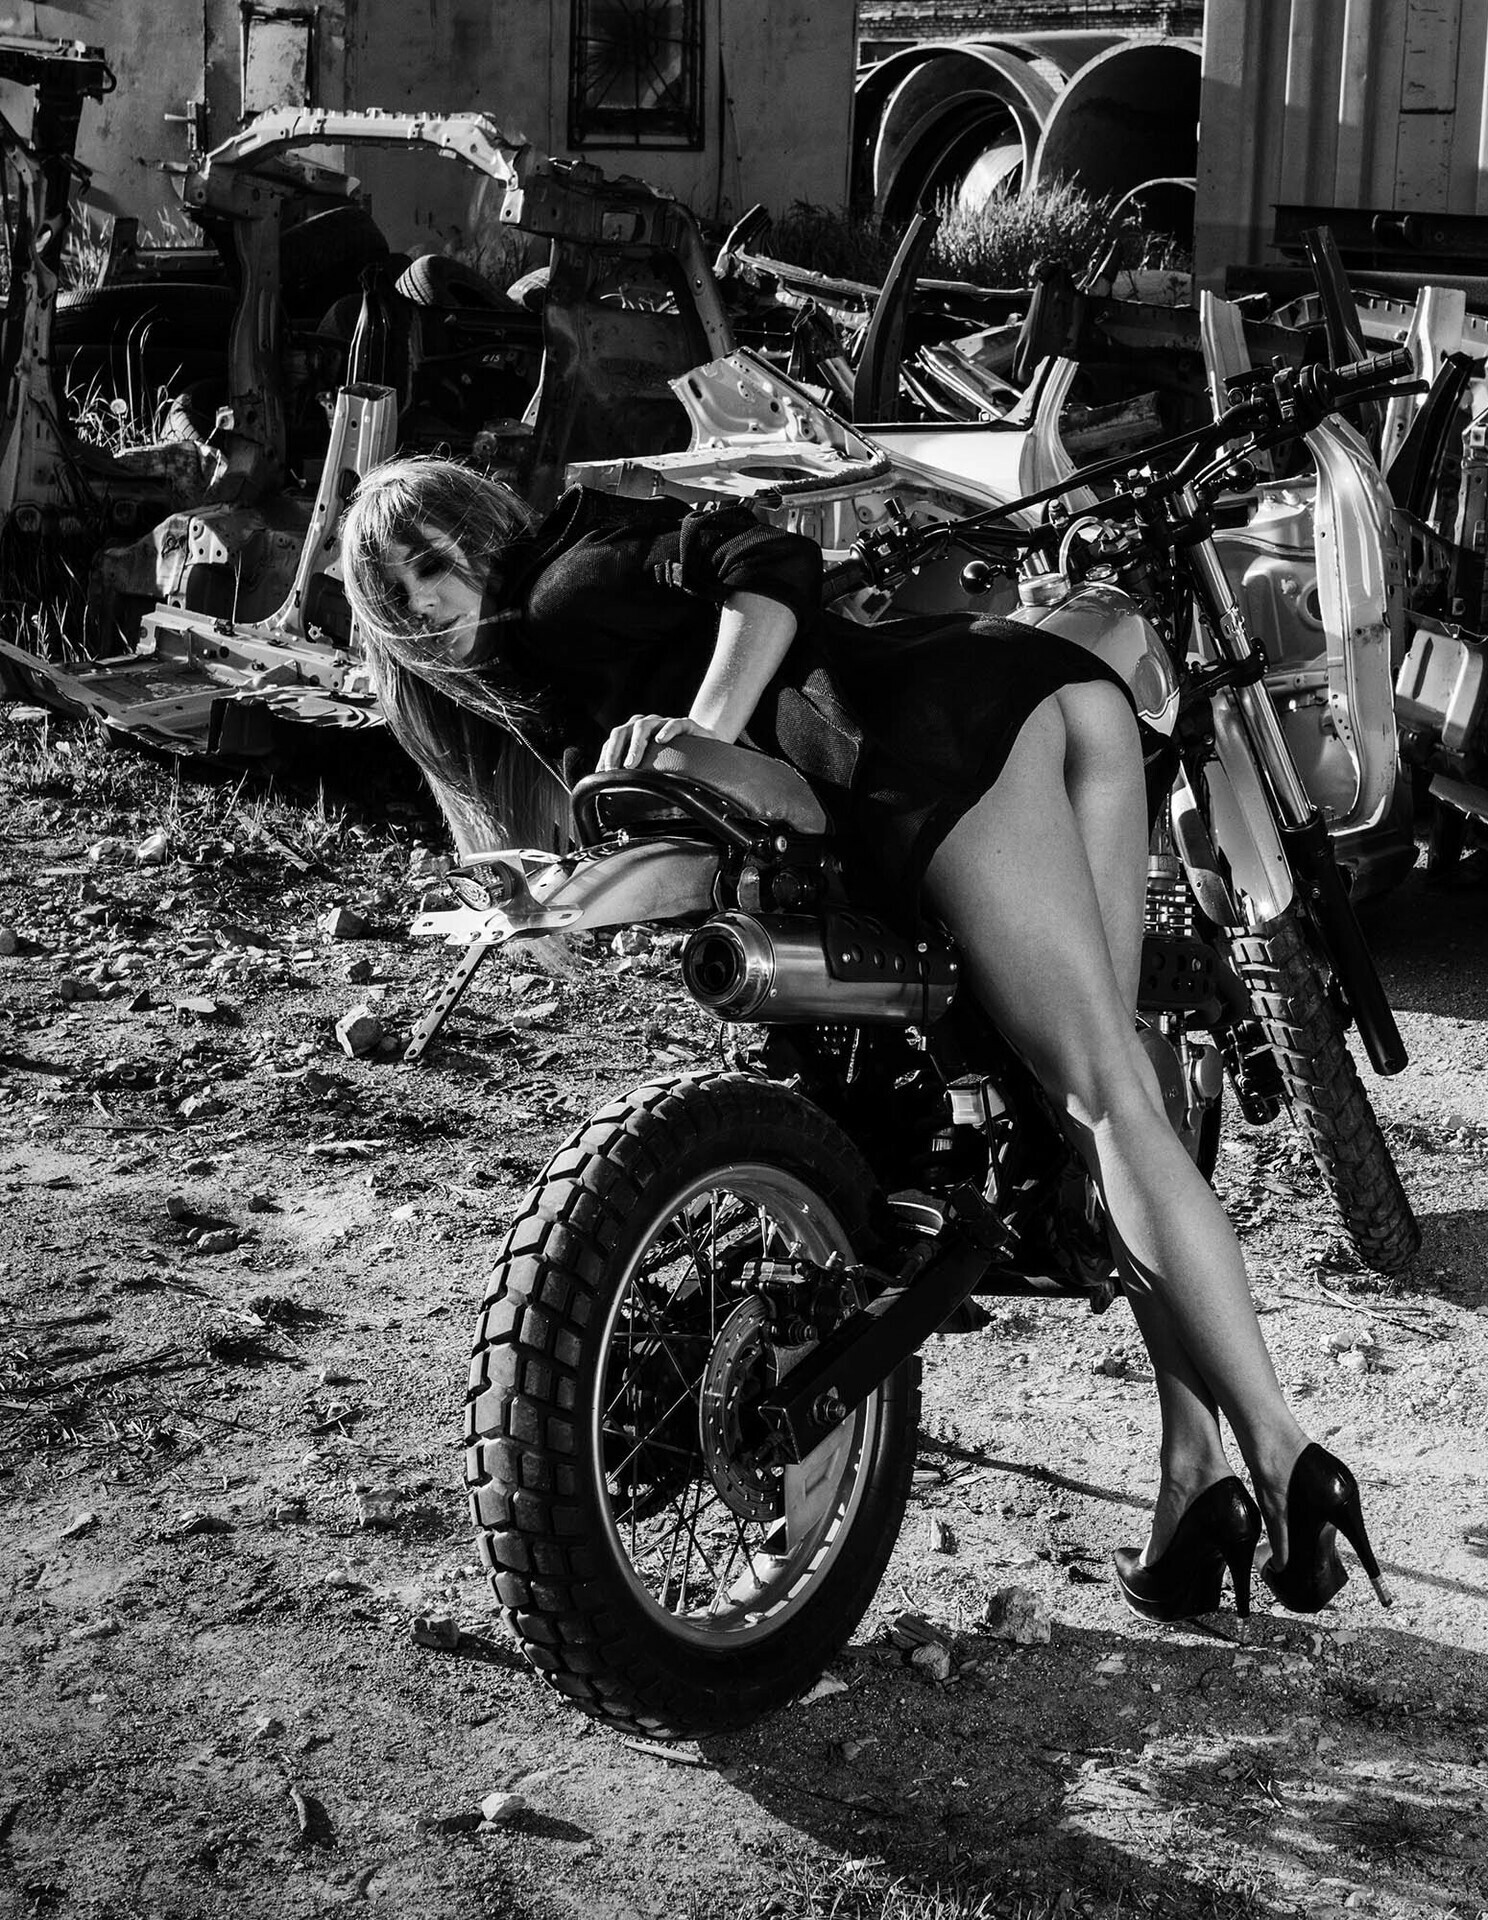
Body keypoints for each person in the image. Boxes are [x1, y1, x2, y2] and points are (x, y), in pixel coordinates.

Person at [337, 454, 1391, 1622]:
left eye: (431, 563)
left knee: (1102, 1100)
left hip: (937, 740)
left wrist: (701, 731)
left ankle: (1285, 1455)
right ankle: (1197, 1477)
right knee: (1113, 1116)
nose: (430, 604)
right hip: (1044, 695)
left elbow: (766, 564)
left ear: (478, 524)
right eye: (401, 599)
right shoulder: (572, 589)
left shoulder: (556, 594)